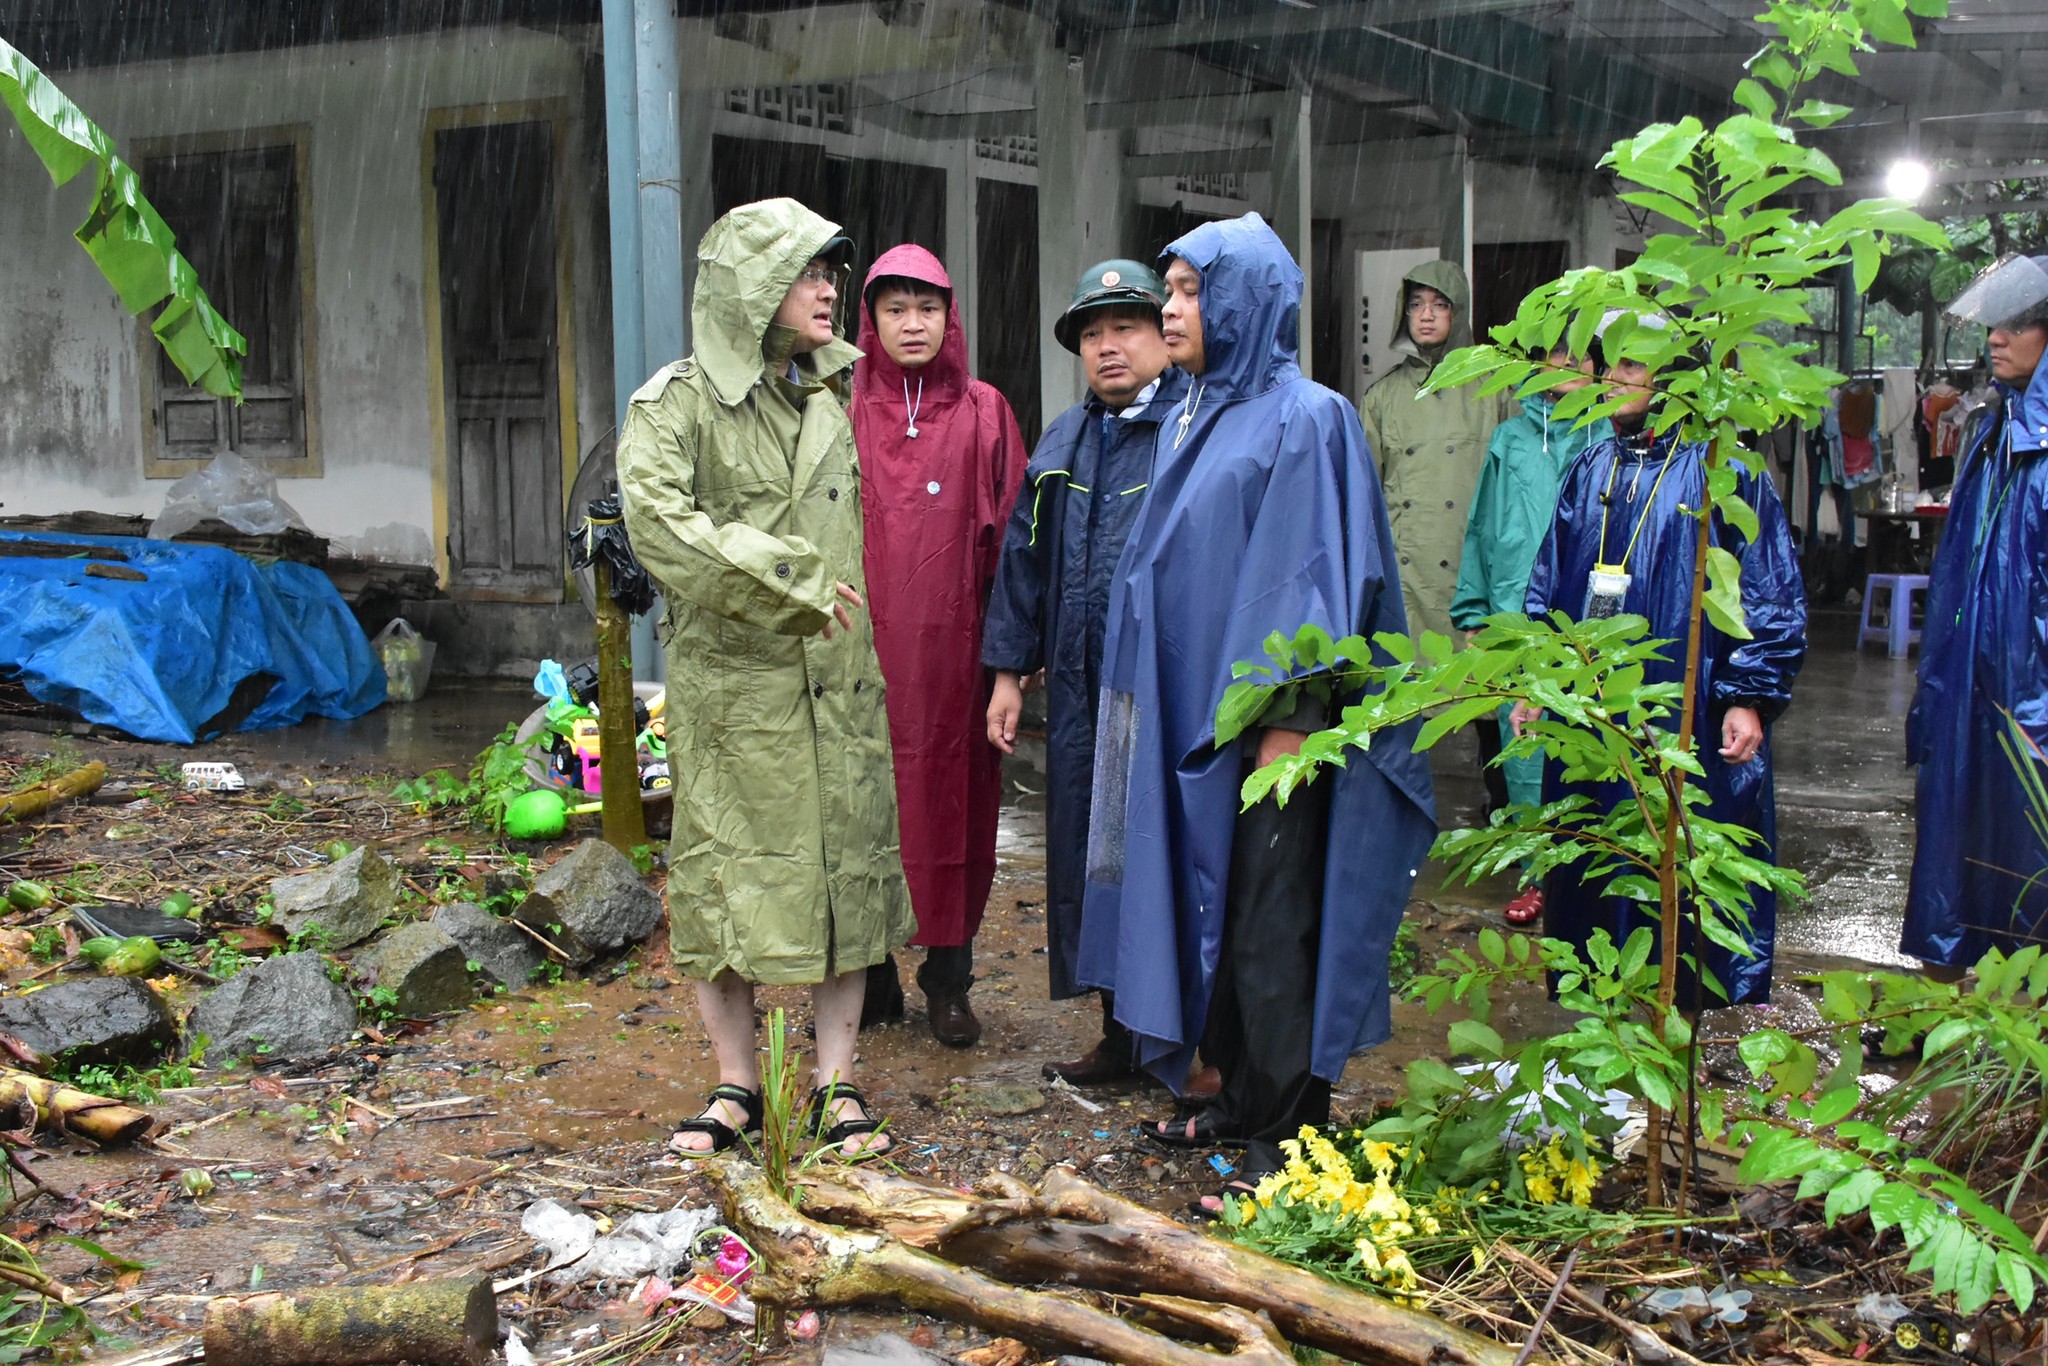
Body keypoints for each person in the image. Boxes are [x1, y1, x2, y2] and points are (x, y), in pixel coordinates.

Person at [1076, 214, 1435, 1202]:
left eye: (1190, 291)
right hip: (1196, 721)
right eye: (1172, 291)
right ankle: (1235, 1095)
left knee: (1275, 927)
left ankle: (1288, 1133)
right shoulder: (1194, 411)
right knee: (1220, 920)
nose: (1169, 309)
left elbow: (1312, 572)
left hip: (1275, 730)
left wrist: (1288, 719)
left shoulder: (1303, 416)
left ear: (1244, 299)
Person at [616, 198, 913, 1159]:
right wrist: (788, 579)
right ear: (751, 287)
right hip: (736, 693)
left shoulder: (827, 399)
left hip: (838, 681)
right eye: (806, 273)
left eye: (833, 271)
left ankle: (837, 1085)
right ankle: (735, 1086)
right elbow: (660, 523)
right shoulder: (677, 403)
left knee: (844, 878)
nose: (830, 290)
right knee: (723, 881)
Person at [1518, 327, 1805, 1007]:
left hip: (1688, 701)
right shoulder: (1592, 467)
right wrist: (1537, 678)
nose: (1611, 376)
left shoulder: (1723, 469)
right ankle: (1601, 1003)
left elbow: (1767, 587)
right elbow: (1549, 581)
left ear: (1674, 376)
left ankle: (1680, 1023)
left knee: (1680, 844)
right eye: (1605, 361)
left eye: (1631, 362)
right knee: (1593, 845)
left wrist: (1748, 695)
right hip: (1593, 710)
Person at [982, 259, 1187, 1086]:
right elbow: (1021, 561)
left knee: (1161, 851)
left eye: (1125, 328)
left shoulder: (1188, 430)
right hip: (1075, 687)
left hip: (1162, 686)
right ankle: (1119, 1031)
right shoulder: (1064, 440)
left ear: (1162, 336)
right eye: (1093, 334)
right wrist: (1006, 671)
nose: (1108, 348)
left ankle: (1182, 1038)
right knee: (1092, 851)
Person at [849, 245, 1027, 1048]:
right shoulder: (837, 409)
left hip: (956, 665)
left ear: (949, 317)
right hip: (858, 664)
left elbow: (1016, 549)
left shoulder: (986, 412)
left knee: (953, 818)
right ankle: (871, 974)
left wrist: (1007, 669)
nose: (912, 324)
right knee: (862, 819)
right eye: (896, 309)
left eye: (927, 308)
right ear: (872, 320)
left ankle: (947, 981)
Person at [1903, 253, 2048, 970]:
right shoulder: (1994, 433)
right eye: (1996, 323)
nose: (1997, 336)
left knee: (2030, 840)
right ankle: (1969, 995)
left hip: (2031, 687)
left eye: (2018, 324)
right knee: (1962, 839)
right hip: (1970, 677)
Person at [1450, 346, 1610, 926]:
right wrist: (1473, 610)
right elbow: (1483, 524)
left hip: (1591, 612)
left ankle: (1595, 871)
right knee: (1525, 751)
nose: (1564, 366)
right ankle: (1536, 872)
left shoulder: (1608, 434)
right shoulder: (1511, 438)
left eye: (1576, 356)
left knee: (1596, 743)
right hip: (1515, 612)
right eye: (1552, 356)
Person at [1359, 261, 1509, 812]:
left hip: (1476, 573)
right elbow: (1364, 495)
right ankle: (1399, 816)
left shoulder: (1493, 385)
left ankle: (1509, 817)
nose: (1426, 315)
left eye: (1439, 304)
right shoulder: (1382, 397)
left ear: (1459, 313)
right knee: (1402, 705)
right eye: (1417, 304)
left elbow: (1513, 481)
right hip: (1409, 573)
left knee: (1494, 705)